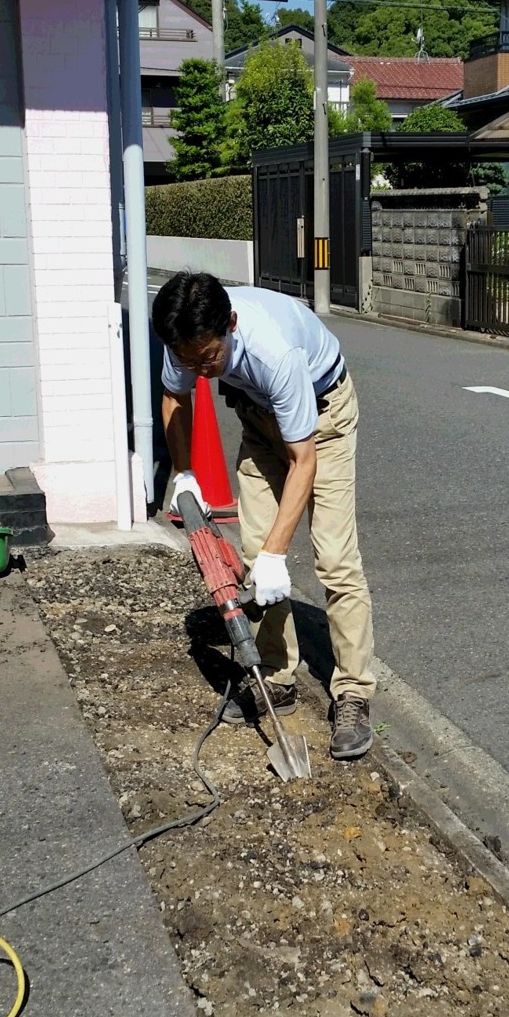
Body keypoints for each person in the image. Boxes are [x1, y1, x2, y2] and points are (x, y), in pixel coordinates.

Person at [152, 272, 376, 761]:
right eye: (190, 360)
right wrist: (184, 472)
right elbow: (175, 396)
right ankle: (277, 676)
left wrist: (281, 552)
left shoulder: (276, 351)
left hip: (322, 418)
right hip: (257, 418)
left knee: (335, 558)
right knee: (253, 552)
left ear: (230, 325)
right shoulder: (186, 338)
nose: (202, 371)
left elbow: (304, 458)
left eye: (209, 358)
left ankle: (355, 692)